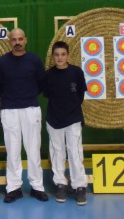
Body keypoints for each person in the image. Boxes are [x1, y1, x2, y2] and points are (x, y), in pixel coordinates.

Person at [0, 28, 48, 203]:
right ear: (9, 41)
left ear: (26, 40)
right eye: (14, 40)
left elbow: (41, 83)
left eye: (20, 39)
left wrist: (27, 95)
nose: (17, 42)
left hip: (31, 108)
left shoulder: (34, 60)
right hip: (9, 109)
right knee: (13, 150)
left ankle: (37, 187)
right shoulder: (2, 62)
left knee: (33, 149)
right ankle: (14, 187)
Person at [43, 41, 88, 205]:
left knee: (75, 153)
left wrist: (71, 110)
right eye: (57, 55)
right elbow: (47, 94)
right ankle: (60, 184)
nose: (60, 58)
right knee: (57, 153)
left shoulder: (77, 72)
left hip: (73, 118)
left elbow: (80, 96)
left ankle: (80, 187)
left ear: (68, 55)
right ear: (53, 57)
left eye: (63, 54)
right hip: (54, 119)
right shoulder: (48, 75)